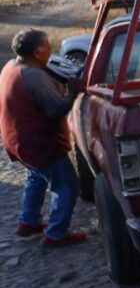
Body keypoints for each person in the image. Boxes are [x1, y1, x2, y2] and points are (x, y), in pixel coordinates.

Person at [0, 29, 86, 247]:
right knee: (66, 185)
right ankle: (56, 233)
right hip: (40, 144)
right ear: (38, 52)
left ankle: (28, 222)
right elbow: (55, 108)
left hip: (18, 140)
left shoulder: (10, 67)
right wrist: (72, 92)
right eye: (48, 45)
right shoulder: (34, 76)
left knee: (35, 177)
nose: (51, 49)